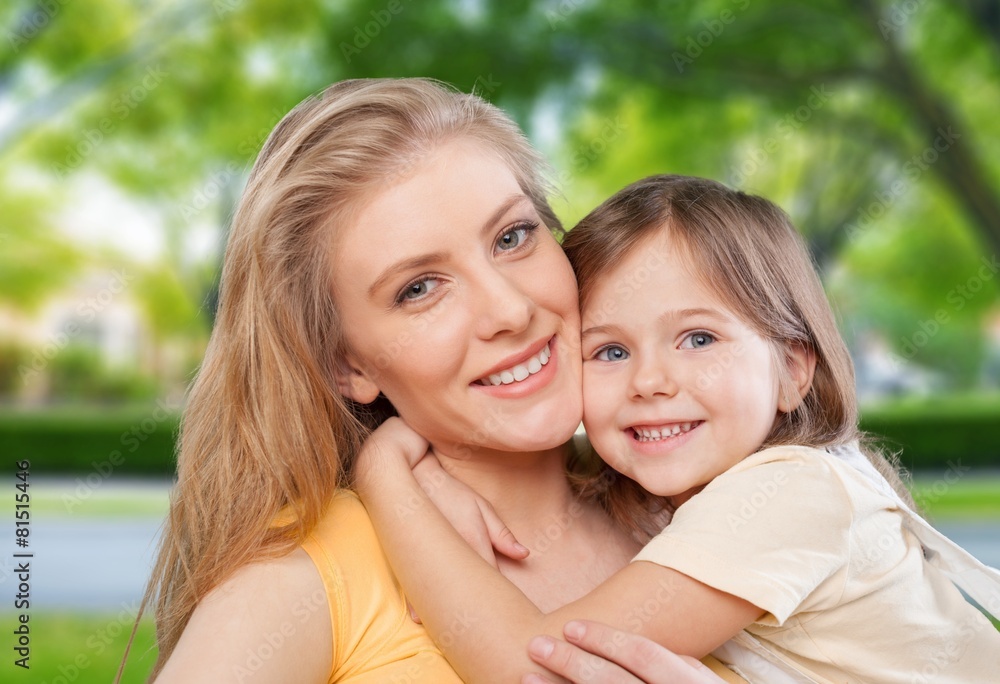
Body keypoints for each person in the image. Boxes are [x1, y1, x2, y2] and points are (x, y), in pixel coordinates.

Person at [132, 81, 743, 683]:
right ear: (349, 366)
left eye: (512, 237)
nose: (510, 311)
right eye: (419, 289)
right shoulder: (304, 580)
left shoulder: (695, 507)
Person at [355, 175, 1000, 683]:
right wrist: (444, 475)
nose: (650, 382)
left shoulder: (786, 496)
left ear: (792, 371)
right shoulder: (694, 496)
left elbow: (536, 668)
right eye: (610, 351)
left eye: (697, 338)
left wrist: (386, 472)